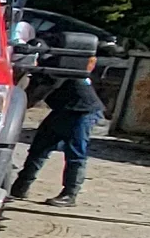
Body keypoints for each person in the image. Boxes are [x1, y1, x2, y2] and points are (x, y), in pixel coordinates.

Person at [11, 56, 103, 205]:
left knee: (75, 152)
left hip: (83, 110)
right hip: (63, 109)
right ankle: (20, 187)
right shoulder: (46, 67)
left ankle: (70, 194)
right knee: (39, 147)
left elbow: (35, 96)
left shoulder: (54, 68)